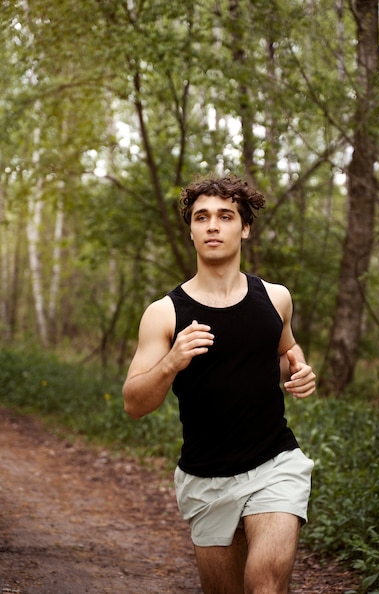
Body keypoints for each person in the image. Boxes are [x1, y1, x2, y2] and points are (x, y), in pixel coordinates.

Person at [122, 174, 316, 594]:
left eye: (225, 216)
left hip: (275, 463)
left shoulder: (275, 297)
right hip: (206, 478)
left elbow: (285, 348)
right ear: (191, 229)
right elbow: (134, 403)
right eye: (202, 217)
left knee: (265, 583)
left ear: (244, 227)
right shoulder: (165, 313)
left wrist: (298, 369)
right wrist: (172, 362)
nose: (213, 225)